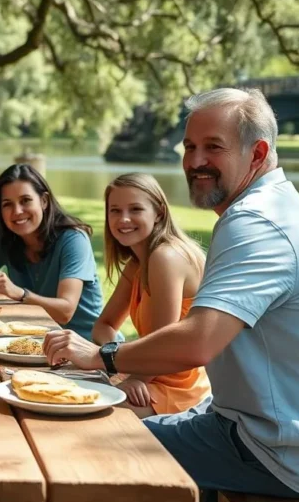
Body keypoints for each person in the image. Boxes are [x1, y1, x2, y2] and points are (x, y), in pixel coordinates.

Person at [43, 88, 299, 502]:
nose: (194, 162)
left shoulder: (256, 222)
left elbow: (197, 341)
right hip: (262, 428)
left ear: (258, 152)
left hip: (287, 453)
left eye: (214, 147)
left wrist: (100, 356)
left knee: (87, 445)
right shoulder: (272, 206)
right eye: (189, 146)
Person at [93, 173, 211, 418]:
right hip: (147, 374)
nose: (123, 219)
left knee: (90, 410)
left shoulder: (166, 257)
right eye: (115, 210)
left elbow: (162, 346)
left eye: (135, 209)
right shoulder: (136, 264)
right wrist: (120, 360)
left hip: (179, 390)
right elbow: (103, 326)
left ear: (158, 212)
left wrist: (133, 374)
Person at [0, 164, 105, 340]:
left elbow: (65, 311)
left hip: (88, 347)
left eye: (25, 200)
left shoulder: (73, 240)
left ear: (44, 201)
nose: (17, 211)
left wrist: (20, 293)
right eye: (7, 204)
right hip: (37, 343)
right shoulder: (5, 241)